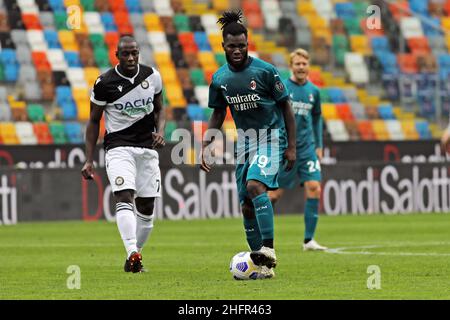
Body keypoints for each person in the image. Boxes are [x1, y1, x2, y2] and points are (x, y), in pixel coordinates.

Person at [200, 10, 297, 278]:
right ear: (223, 47)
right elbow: (218, 113)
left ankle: (269, 249)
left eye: (242, 45)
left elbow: (286, 108)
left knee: (255, 185)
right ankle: (263, 268)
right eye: (232, 46)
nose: (238, 51)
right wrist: (206, 144)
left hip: (271, 138)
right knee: (246, 205)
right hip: (245, 144)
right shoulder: (220, 79)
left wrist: (291, 147)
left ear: (247, 43)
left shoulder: (266, 71)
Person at [81, 35, 166, 273]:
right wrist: (89, 158)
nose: (130, 58)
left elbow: (160, 109)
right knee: (124, 195)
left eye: (134, 53)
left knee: (147, 209)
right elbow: (93, 121)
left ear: (139, 53)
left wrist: (160, 131)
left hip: (147, 150)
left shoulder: (152, 76)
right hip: (118, 148)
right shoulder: (104, 82)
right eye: (126, 54)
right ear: (116, 55)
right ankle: (132, 251)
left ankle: (133, 258)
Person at [268, 49, 327, 251]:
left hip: (307, 148)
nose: (301, 67)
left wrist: (318, 145)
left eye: (304, 63)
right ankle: (261, 235)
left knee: (314, 187)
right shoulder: (283, 88)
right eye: (297, 64)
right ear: (291, 66)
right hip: (285, 148)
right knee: (273, 195)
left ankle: (308, 240)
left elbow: (317, 117)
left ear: (308, 65)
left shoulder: (314, 92)